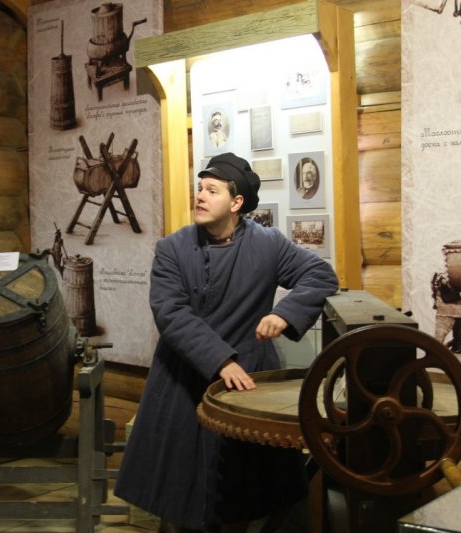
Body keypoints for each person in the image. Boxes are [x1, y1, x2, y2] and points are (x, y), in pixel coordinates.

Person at [114, 152, 339, 532]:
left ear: (236, 203)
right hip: (184, 377)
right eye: (200, 188)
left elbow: (320, 275)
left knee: (242, 493)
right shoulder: (172, 248)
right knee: (182, 495)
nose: (200, 196)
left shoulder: (268, 244)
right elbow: (170, 312)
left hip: (247, 379)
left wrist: (285, 313)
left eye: (211, 190)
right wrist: (220, 360)